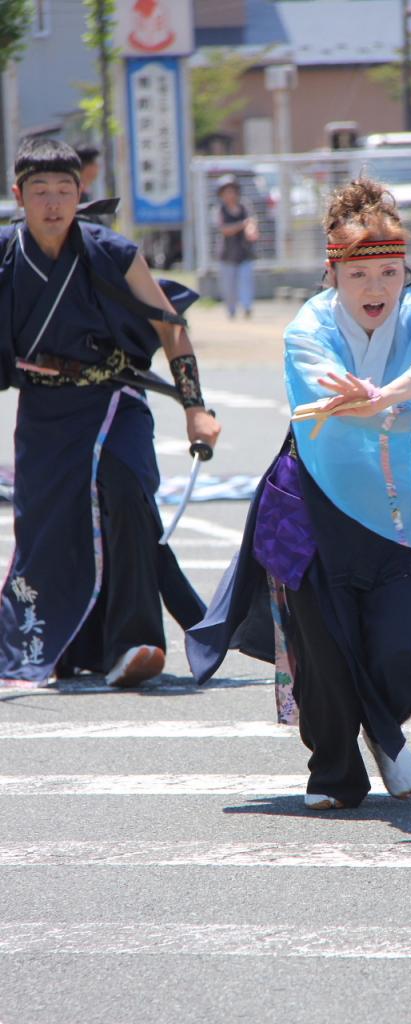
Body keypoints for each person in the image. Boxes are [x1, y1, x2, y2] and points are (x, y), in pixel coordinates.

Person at [186, 177, 411, 810]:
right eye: (360, 276)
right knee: (322, 655)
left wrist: (393, 398)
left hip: (407, 513)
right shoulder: (306, 329)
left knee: (403, 653)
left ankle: (385, 733)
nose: (377, 288)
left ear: (405, 268)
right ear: (332, 275)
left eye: (389, 271)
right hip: (314, 508)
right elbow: (334, 406)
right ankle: (333, 772)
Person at [0, 137, 220, 687]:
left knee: (125, 490)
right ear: (18, 195)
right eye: (40, 192)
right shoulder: (5, 255)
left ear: (81, 194)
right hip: (45, 409)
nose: (53, 204)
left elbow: (171, 327)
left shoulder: (111, 251)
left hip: (114, 399)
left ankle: (135, 641)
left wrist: (195, 408)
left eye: (64, 191)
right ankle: (77, 645)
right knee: (53, 527)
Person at [215, 175, 257, 319]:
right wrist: (241, 225)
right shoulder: (220, 210)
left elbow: (251, 223)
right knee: (229, 286)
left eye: (232, 191)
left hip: (244, 252)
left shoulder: (244, 207)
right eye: (227, 192)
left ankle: (247, 307)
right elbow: (224, 229)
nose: (230, 195)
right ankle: (231, 310)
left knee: (246, 281)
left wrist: (250, 229)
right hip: (227, 254)